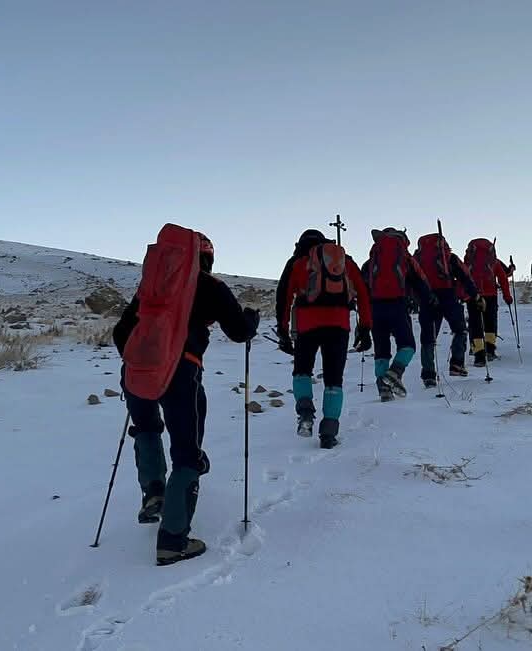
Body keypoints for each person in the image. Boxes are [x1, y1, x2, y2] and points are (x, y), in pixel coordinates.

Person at [114, 232, 259, 566]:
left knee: (147, 428)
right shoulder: (210, 287)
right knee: (187, 453)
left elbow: (120, 332)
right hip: (183, 374)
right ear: (206, 258)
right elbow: (239, 332)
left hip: (136, 373)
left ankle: (154, 493)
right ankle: (173, 540)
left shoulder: (149, 289)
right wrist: (251, 319)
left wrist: (141, 359)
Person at [275, 229, 373, 448]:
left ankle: (306, 412)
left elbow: (284, 296)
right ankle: (328, 433)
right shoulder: (344, 260)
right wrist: (365, 327)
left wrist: (283, 330)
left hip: (307, 326)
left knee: (302, 371)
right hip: (338, 325)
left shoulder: (298, 262)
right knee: (333, 379)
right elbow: (363, 293)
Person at [361, 228, 434, 402]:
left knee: (381, 351)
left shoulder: (370, 262)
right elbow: (420, 282)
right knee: (407, 345)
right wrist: (428, 300)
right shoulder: (405, 259)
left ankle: (384, 390)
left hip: (375, 309)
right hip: (397, 305)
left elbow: (361, 286)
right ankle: (395, 372)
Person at [413, 233, 482, 385]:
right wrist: (475, 295)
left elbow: (411, 280)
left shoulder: (417, 259)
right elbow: (465, 276)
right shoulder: (449, 257)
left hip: (427, 298)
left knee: (428, 338)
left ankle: (428, 375)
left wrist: (415, 300)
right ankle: (457, 364)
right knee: (460, 330)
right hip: (448, 296)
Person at [464, 238, 514, 366]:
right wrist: (507, 297)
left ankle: (478, 356)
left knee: (475, 324)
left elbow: (462, 278)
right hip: (490, 295)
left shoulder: (468, 262)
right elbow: (503, 279)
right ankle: (490, 350)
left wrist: (462, 295)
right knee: (490, 323)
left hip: (473, 296)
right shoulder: (494, 262)